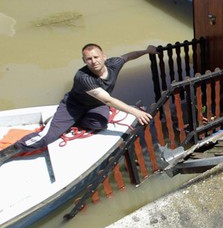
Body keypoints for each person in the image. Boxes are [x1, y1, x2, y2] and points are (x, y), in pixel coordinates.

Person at [0, 43, 157, 167]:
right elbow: (108, 100)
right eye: (89, 59)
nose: (93, 61)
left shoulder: (114, 63)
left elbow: (129, 56)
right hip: (73, 106)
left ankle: (69, 123)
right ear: (84, 61)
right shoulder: (83, 77)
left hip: (95, 104)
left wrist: (146, 50)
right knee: (46, 138)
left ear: (104, 56)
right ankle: (8, 152)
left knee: (100, 124)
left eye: (96, 57)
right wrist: (135, 112)